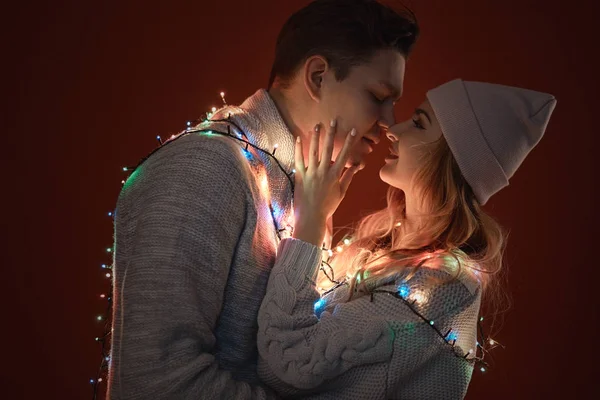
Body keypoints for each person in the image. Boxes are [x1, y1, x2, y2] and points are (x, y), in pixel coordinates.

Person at [106, 1, 418, 398]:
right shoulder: (204, 167)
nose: (390, 121)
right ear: (319, 77)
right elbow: (157, 383)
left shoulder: (302, 186)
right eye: (378, 95)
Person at [257, 78, 557, 399]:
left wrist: (311, 225)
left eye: (418, 123)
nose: (393, 129)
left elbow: (287, 363)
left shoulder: (443, 287)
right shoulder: (387, 245)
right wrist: (320, 219)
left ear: (450, 156)